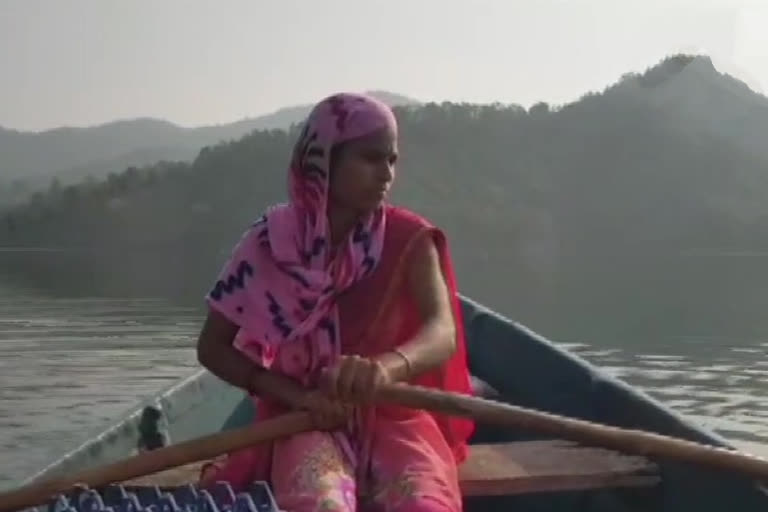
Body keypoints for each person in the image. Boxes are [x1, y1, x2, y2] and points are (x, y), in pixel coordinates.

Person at [196, 93, 475, 512]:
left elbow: (442, 332)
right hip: (306, 415)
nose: (385, 174)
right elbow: (212, 347)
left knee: (424, 503)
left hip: (395, 411)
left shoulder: (410, 238)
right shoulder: (269, 243)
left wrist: (384, 368)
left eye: (392, 160)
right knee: (321, 504)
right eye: (369, 158)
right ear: (324, 160)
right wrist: (294, 396)